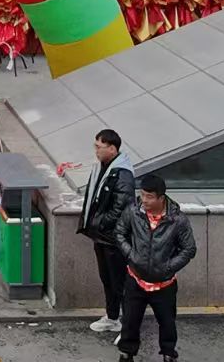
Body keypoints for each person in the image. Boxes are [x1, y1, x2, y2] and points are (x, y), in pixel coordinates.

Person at [116, 173, 197, 362]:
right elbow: (120, 232)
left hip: (164, 284)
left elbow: (189, 249)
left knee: (167, 324)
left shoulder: (177, 220)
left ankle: (168, 354)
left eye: (149, 196)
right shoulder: (133, 212)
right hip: (136, 279)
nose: (144, 200)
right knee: (130, 322)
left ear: (161, 198)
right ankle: (126, 353)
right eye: (142, 194)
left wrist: (168, 267)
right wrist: (131, 255)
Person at [78, 128, 138, 334]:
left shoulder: (122, 174)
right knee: (108, 280)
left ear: (112, 148)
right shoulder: (103, 168)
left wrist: (99, 223)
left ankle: (128, 326)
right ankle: (112, 317)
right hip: (102, 236)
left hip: (113, 238)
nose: (96, 151)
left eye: (99, 147)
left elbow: (121, 207)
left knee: (119, 282)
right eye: (95, 146)